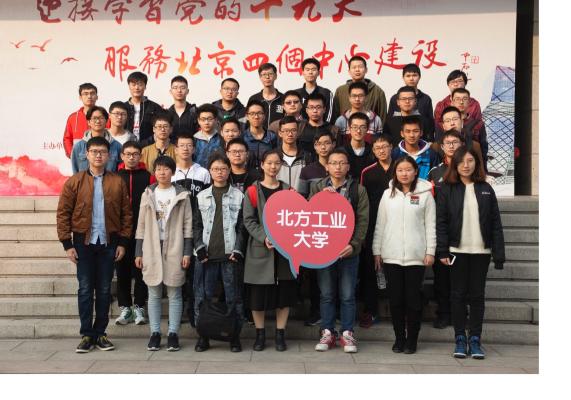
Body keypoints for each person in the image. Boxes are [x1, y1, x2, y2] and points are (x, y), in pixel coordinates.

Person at [57, 136, 132, 353]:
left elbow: (126, 214)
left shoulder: (117, 182)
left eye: (102, 152)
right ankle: (86, 335)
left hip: (109, 242)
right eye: (94, 151)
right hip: (84, 243)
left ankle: (100, 333)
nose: (98, 155)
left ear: (109, 155)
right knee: (85, 289)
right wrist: (67, 244)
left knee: (105, 289)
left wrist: (123, 242)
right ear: (87, 154)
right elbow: (63, 213)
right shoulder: (75, 181)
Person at [436, 147, 505, 359]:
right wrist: (442, 250)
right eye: (461, 161)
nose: (466, 165)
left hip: (481, 251)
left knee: (477, 296)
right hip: (456, 250)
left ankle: (475, 339)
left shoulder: (486, 188)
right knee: (457, 295)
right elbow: (441, 222)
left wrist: (498, 254)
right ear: (454, 165)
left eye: (470, 161)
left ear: (477, 163)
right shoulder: (446, 188)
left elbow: (495, 223)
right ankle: (459, 338)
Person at [372, 156, 436, 354]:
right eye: (400, 170)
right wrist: (377, 251)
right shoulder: (387, 194)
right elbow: (380, 224)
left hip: (417, 257)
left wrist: (430, 251)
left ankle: (412, 339)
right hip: (391, 255)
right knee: (396, 300)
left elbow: (431, 225)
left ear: (416, 171)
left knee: (413, 300)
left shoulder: (426, 195)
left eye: (408, 169)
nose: (404, 173)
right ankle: (399, 338)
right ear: (395, 173)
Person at [312, 148, 369, 353]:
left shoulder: (358, 190)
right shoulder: (318, 187)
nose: (338, 167)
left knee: (347, 294)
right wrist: (322, 198)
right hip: (324, 250)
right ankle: (327, 332)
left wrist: (354, 244)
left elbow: (363, 221)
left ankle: (347, 333)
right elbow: (310, 215)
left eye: (342, 163)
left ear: (348, 166)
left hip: (348, 251)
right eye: (333, 163)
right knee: (327, 293)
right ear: (327, 166)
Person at [135, 156, 192, 352]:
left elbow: (188, 226)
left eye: (166, 169)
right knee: (153, 293)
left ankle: (173, 333)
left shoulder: (182, 195)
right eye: (158, 169)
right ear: (154, 172)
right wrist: (138, 252)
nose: (162, 172)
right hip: (151, 246)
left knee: (175, 292)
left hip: (175, 246)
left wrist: (187, 252)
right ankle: (155, 333)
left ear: (172, 172)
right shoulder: (148, 194)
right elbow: (141, 225)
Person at [242, 149, 297, 352]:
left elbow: (297, 217)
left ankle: (280, 334)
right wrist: (264, 237)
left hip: (284, 251)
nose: (273, 167)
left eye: (277, 163)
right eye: (269, 163)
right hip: (260, 248)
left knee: (284, 295)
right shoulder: (252, 191)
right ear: (262, 165)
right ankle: (260, 334)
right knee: (257, 296)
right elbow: (248, 220)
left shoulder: (289, 191)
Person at [193, 153, 246, 353]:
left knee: (234, 298)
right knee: (203, 298)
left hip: (230, 256)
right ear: (210, 171)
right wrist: (199, 247)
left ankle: (234, 337)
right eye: (215, 169)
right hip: (206, 257)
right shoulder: (201, 196)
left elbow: (242, 227)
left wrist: (238, 249)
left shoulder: (238, 196)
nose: (220, 172)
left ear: (229, 170)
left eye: (223, 169)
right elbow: (196, 225)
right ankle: (203, 337)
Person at [297, 130, 335, 327]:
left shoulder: (340, 166)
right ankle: (315, 311)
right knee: (314, 273)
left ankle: (334, 311)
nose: (324, 147)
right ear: (315, 146)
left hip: (336, 228)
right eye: (320, 143)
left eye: (327, 143)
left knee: (335, 272)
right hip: (314, 229)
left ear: (333, 144)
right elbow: (301, 199)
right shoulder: (308, 171)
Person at [115, 141, 153, 326]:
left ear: (140, 156)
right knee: (121, 269)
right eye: (128, 154)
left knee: (140, 269)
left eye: (135, 154)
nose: (131, 157)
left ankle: (139, 306)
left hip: (142, 230)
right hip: (120, 231)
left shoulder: (148, 177)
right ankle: (125, 307)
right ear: (122, 156)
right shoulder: (115, 177)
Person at [358, 135, 394, 328]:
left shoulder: (401, 168)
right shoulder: (368, 172)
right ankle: (371, 310)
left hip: (397, 225)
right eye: (377, 148)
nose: (381, 150)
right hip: (373, 225)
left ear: (391, 147)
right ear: (373, 151)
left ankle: (399, 310)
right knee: (370, 269)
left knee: (396, 269)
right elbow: (362, 202)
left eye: (385, 146)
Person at [333, 55, 387, 123]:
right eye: (354, 67)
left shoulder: (377, 91)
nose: (357, 70)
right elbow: (335, 115)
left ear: (366, 70)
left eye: (360, 67)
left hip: (370, 128)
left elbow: (382, 117)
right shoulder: (340, 91)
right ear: (349, 71)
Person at [387, 63, 434, 136]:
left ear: (419, 77)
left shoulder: (426, 99)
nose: (411, 78)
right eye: (408, 76)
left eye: (414, 75)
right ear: (403, 77)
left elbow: (430, 122)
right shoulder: (394, 98)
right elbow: (389, 120)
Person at [71, 106, 122, 174]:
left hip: (109, 181)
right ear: (88, 122)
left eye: (101, 118)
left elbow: (120, 172)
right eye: (94, 118)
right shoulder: (78, 147)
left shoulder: (117, 146)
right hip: (85, 181)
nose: (98, 121)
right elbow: (75, 173)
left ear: (106, 121)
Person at [391, 115, 439, 180]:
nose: (412, 135)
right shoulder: (395, 153)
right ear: (402, 133)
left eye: (415, 131)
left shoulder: (431, 154)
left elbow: (436, 178)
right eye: (408, 131)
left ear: (421, 133)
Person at [450, 88, 488, 165]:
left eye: (465, 99)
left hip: (472, 164)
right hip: (451, 163)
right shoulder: (447, 123)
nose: (461, 102)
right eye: (457, 99)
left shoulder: (478, 124)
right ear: (452, 102)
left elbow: (483, 149)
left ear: (469, 102)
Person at [123, 71, 163, 145]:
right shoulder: (123, 107)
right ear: (129, 86)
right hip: (126, 147)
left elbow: (160, 129)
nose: (136, 87)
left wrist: (147, 143)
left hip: (149, 146)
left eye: (140, 84)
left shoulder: (155, 107)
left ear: (145, 86)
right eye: (133, 84)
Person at [298, 92, 340, 161]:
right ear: (306, 110)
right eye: (311, 107)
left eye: (318, 107)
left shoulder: (333, 130)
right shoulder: (299, 128)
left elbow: (338, 154)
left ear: (324, 109)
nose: (315, 111)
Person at [63, 83, 99, 158]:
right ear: (80, 97)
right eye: (85, 94)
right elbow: (67, 139)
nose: (89, 96)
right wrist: (73, 155)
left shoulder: (105, 117)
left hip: (100, 160)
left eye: (92, 93)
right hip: (79, 160)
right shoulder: (73, 117)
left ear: (97, 97)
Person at [276, 116, 310, 191]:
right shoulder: (274, 156)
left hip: (301, 197)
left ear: (298, 132)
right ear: (280, 133)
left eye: (293, 130)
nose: (290, 134)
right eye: (286, 131)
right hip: (278, 197)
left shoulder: (306, 156)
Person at [242, 100, 278, 174]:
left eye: (259, 113)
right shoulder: (241, 137)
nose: (256, 117)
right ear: (247, 116)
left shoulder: (272, 137)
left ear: (264, 116)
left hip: (268, 176)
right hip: (246, 177)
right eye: (252, 113)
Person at [171, 133, 211, 198]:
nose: (185, 149)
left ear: (194, 149)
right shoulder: (170, 173)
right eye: (182, 145)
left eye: (189, 145)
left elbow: (208, 197)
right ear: (176, 150)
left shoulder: (203, 173)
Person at [296, 58, 334, 123]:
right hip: (301, 128)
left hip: (322, 128)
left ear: (318, 73)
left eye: (313, 69)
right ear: (303, 73)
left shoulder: (326, 93)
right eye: (307, 70)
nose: (310, 72)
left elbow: (330, 116)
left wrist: (324, 127)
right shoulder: (296, 94)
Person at [247, 63, 284, 130]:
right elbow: (248, 120)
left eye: (270, 74)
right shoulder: (254, 99)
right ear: (260, 77)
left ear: (275, 76)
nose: (267, 77)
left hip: (278, 135)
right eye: (264, 74)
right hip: (258, 135)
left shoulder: (283, 98)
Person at [343, 112, 375, 181]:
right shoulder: (342, 152)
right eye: (355, 127)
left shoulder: (373, 152)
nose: (358, 131)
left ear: (367, 129)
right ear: (349, 128)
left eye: (362, 127)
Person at [167, 75, 198, 140]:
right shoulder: (167, 113)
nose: (179, 90)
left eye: (182, 87)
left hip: (191, 146)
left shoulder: (195, 112)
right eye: (175, 88)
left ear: (187, 91)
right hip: (171, 146)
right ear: (170, 91)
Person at [194, 104, 222, 168]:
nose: (206, 122)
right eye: (203, 119)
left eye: (210, 119)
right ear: (198, 121)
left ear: (216, 120)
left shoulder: (222, 139)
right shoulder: (193, 139)